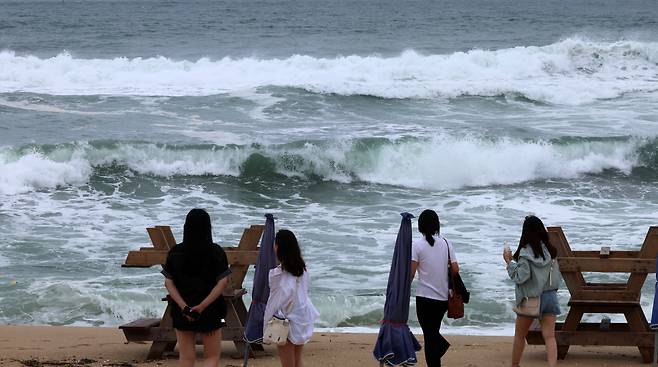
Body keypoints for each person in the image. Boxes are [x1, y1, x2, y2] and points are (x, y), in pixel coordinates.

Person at [162, 209, 231, 367]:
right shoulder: (216, 252)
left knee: (186, 357)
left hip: (182, 311)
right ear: (208, 227)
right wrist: (202, 306)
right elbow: (223, 283)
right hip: (211, 310)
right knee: (211, 357)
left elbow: (168, 282)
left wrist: (184, 307)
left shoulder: (175, 252)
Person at [503, 215, 561, 367]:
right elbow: (556, 277)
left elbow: (521, 276)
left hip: (531, 299)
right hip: (550, 296)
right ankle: (552, 365)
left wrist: (509, 262)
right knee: (549, 337)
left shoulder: (525, 252)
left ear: (525, 232)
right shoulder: (551, 251)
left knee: (520, 336)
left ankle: (515, 365)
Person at [264, 229, 319, 367]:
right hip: (302, 317)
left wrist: (266, 321)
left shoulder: (276, 274)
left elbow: (274, 301)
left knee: (287, 363)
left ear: (278, 247)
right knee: (297, 360)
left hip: (285, 322)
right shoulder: (303, 270)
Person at [411, 209, 459, 367]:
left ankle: (443, 346)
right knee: (431, 336)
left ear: (420, 227)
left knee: (430, 336)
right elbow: (456, 269)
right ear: (437, 225)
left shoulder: (417, 245)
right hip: (442, 299)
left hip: (424, 298)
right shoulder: (446, 243)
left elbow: (411, 274)